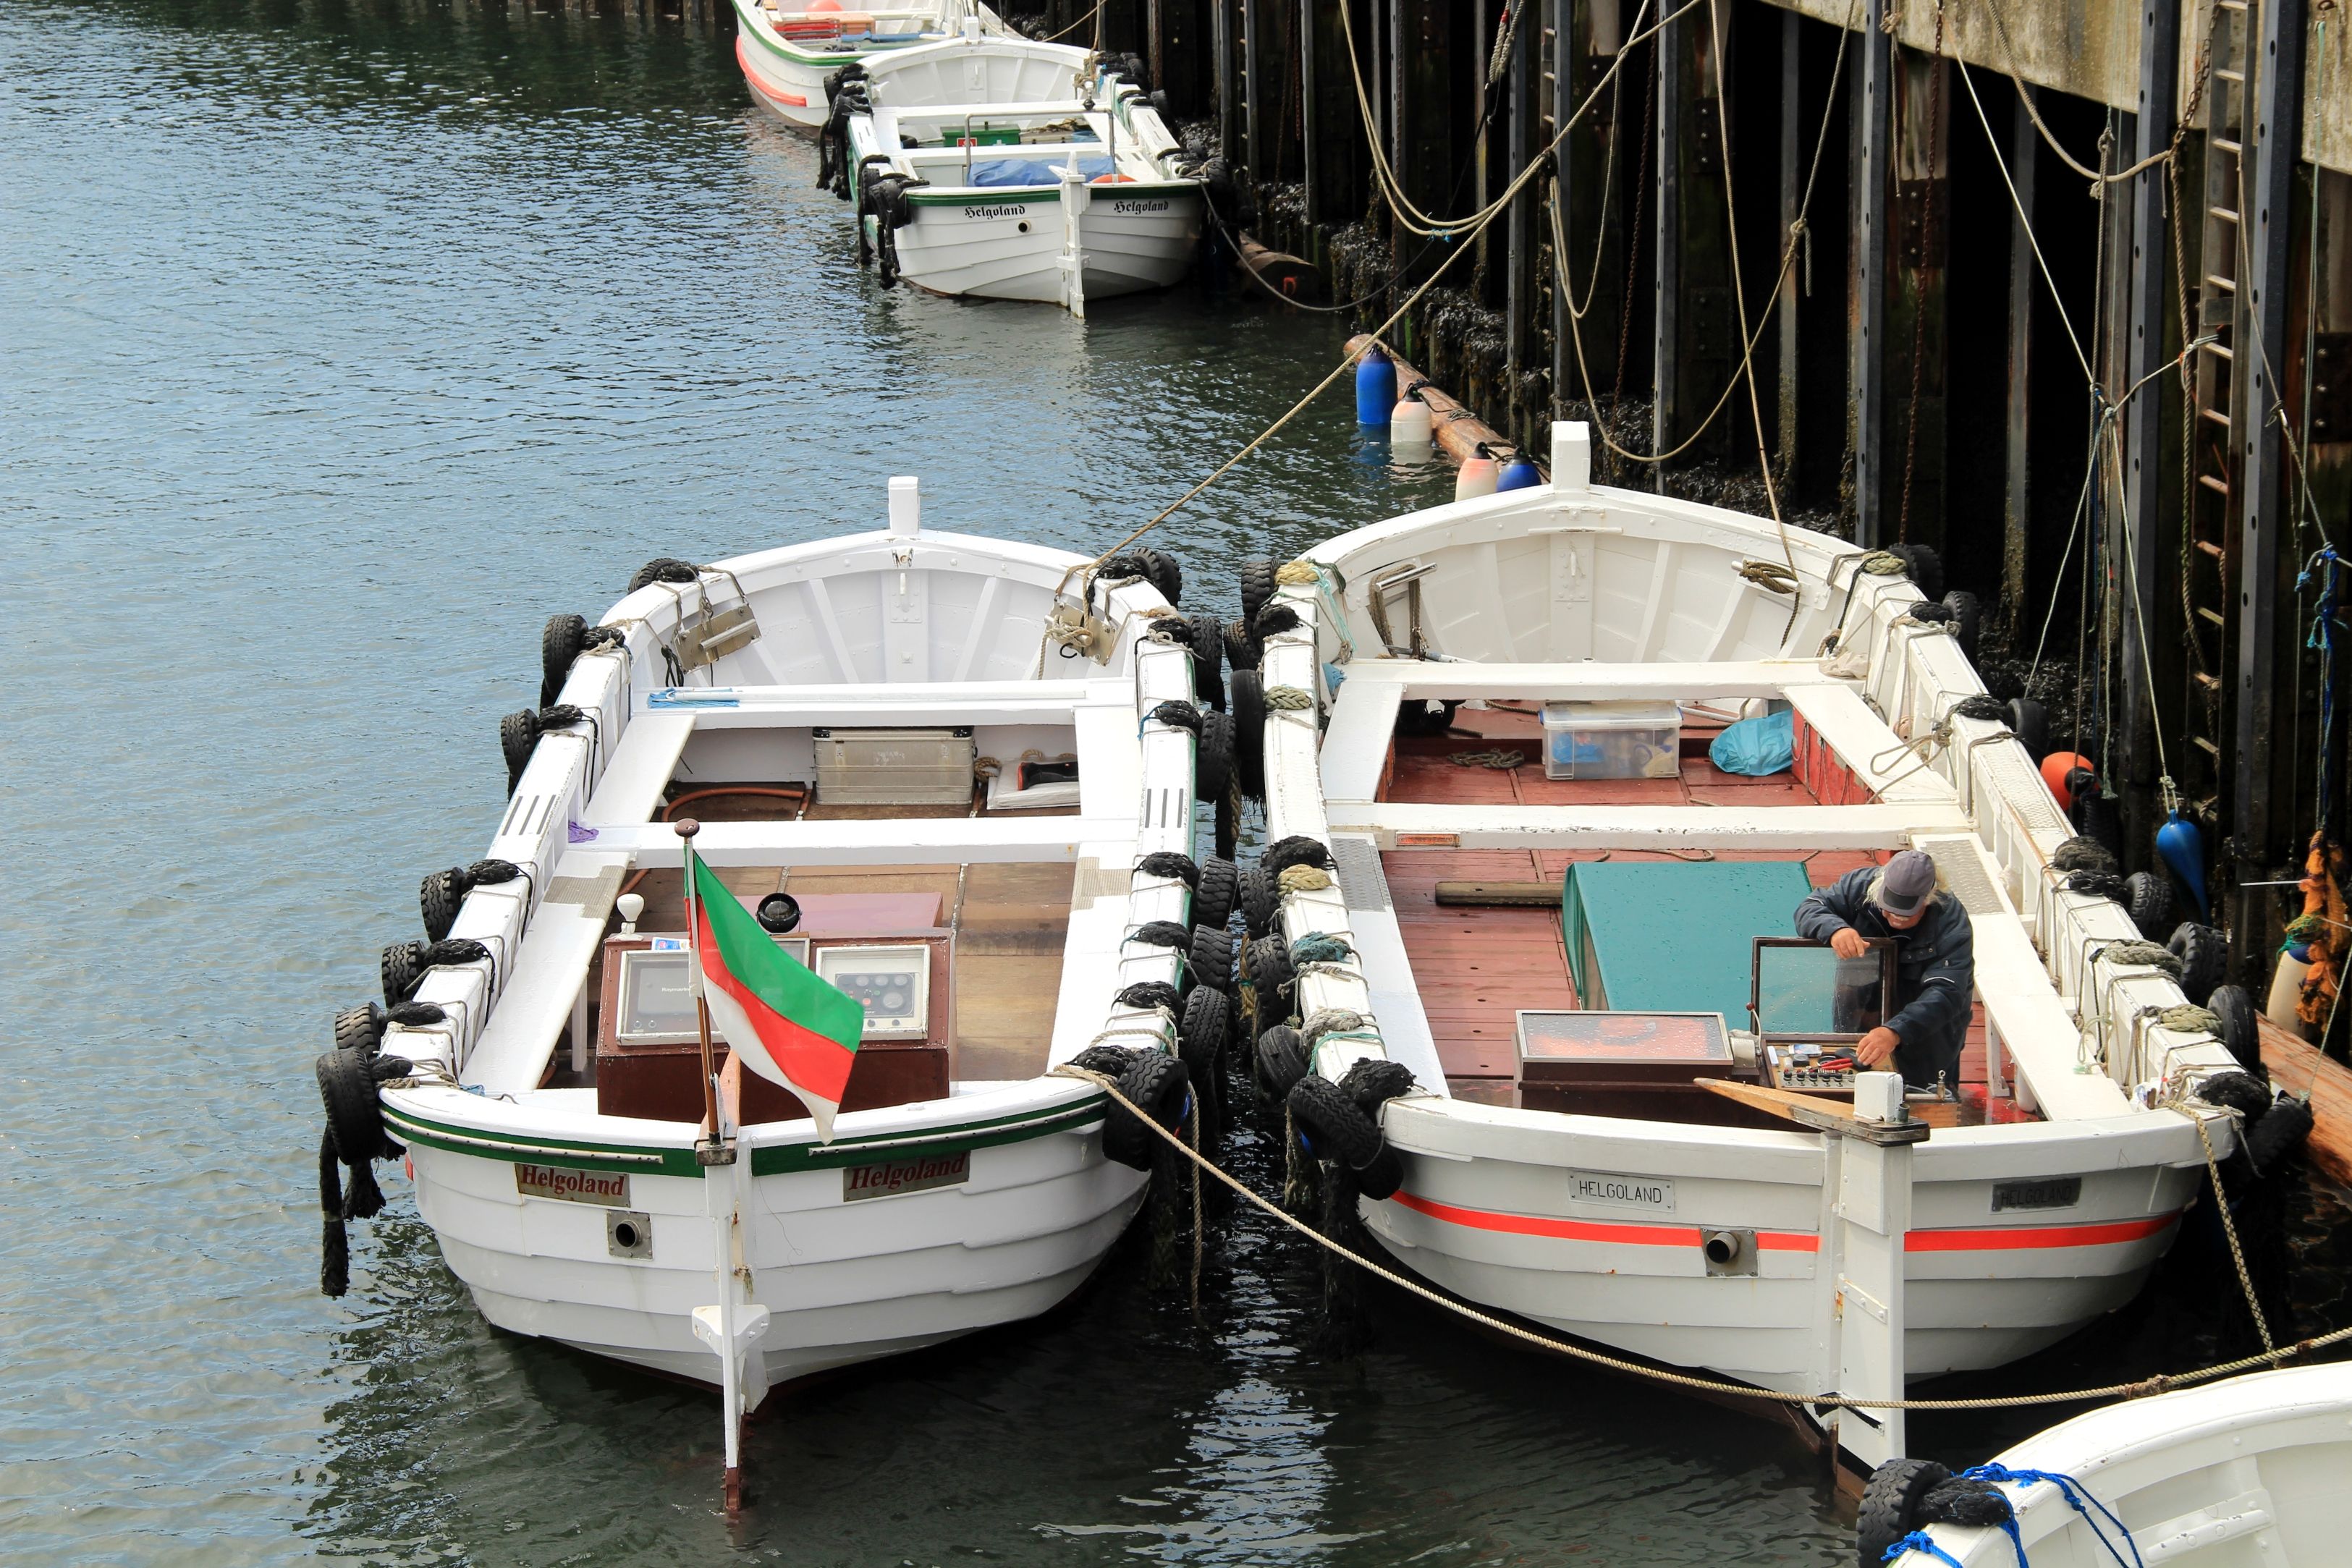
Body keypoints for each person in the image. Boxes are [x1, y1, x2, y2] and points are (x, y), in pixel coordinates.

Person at [1792, 849, 1975, 1090]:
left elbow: (1946, 993)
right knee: (1853, 1079)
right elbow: (1810, 907)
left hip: (1927, 1028)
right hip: (1860, 1002)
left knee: (1922, 1091)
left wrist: (1895, 1031)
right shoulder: (1857, 887)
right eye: (1889, 906)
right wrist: (1835, 929)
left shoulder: (1952, 922)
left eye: (1906, 911)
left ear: (1929, 898)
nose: (1896, 917)